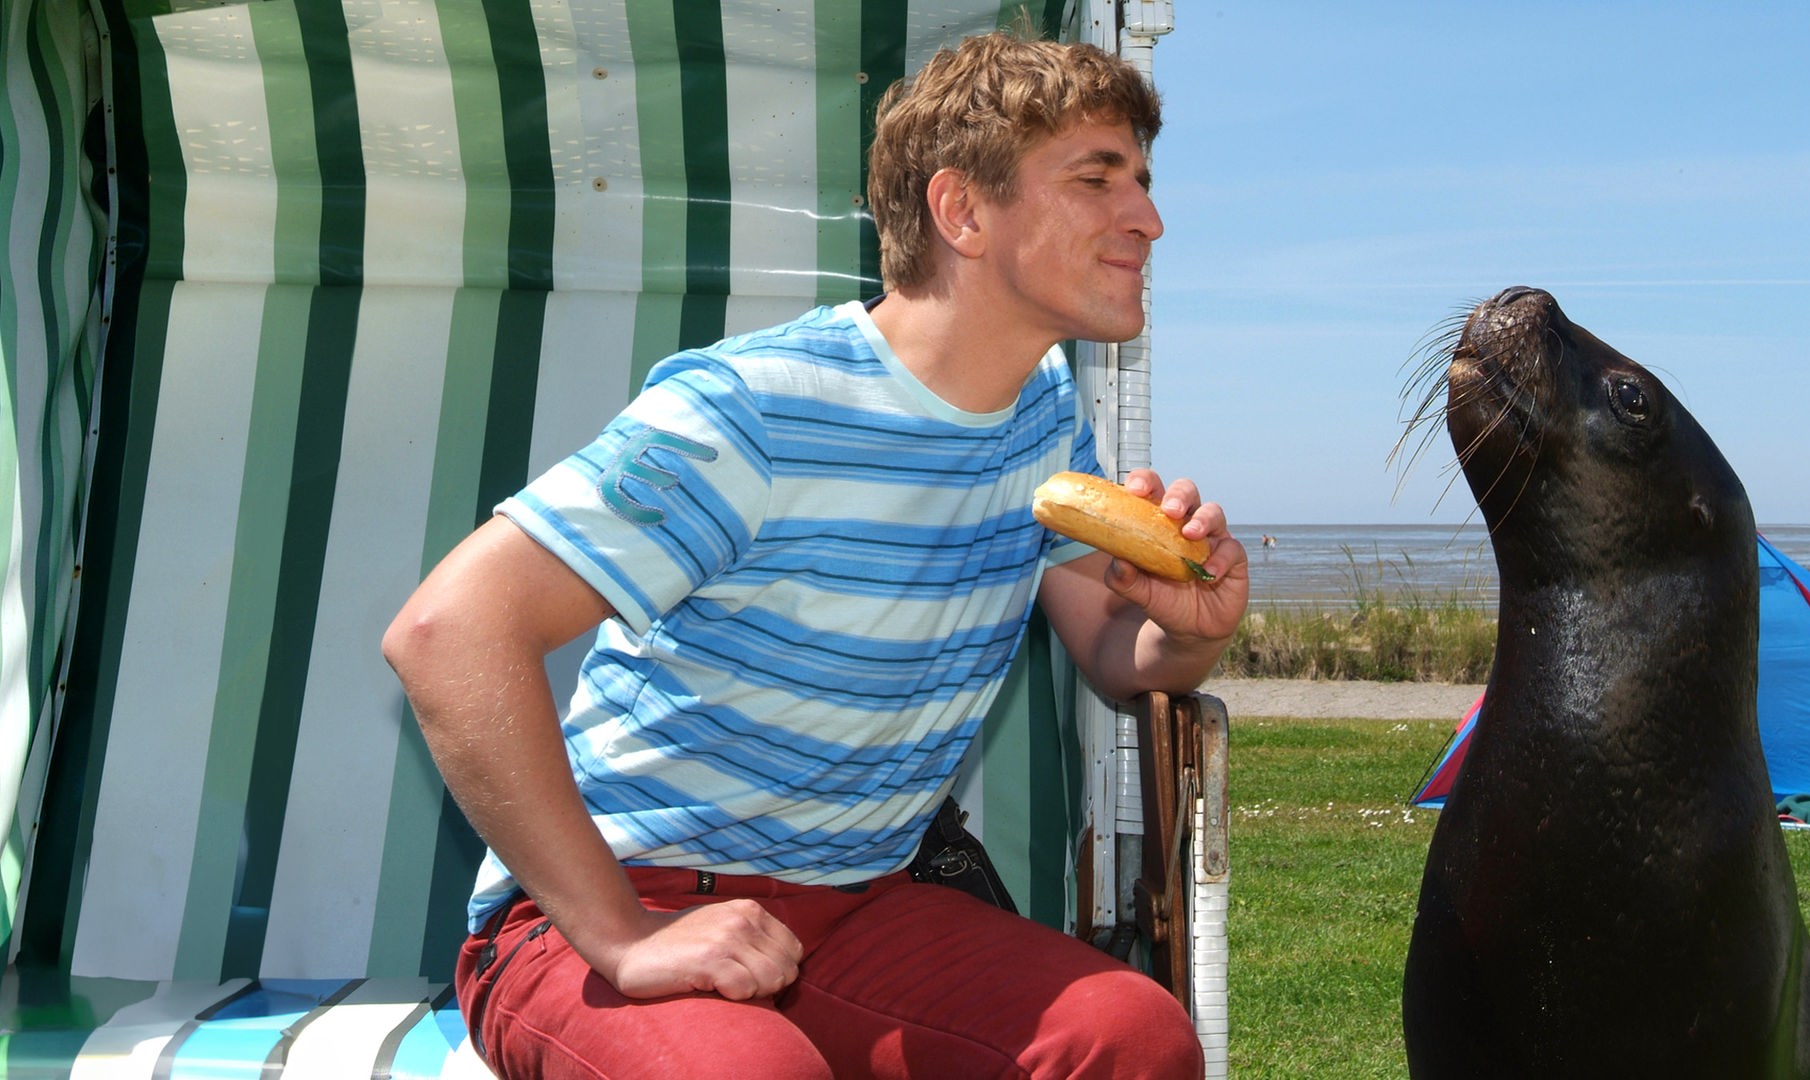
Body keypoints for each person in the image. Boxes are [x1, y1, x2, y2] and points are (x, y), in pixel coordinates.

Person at [383, 24, 1247, 1080]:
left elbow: (1117, 655)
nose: (1148, 220)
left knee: (1132, 1038)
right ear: (961, 211)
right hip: (622, 901)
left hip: (863, 904)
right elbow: (447, 633)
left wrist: (1182, 631)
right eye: (1097, 179)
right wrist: (622, 934)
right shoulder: (753, 409)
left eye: (1144, 183)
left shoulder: (1043, 419)